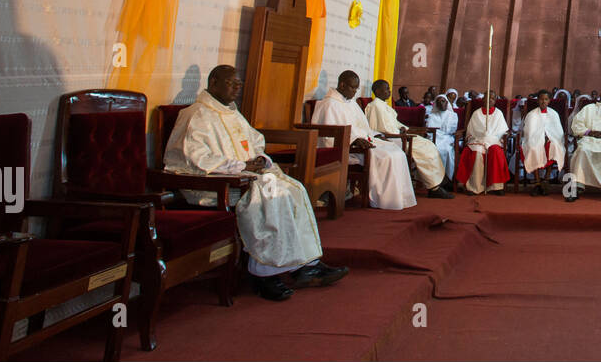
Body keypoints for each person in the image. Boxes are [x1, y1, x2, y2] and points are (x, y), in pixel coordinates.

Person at [164, 65, 348, 301]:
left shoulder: (232, 112)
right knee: (272, 195)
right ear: (213, 82)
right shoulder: (195, 115)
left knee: (294, 189)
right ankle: (265, 274)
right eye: (232, 82)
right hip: (214, 184)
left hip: (244, 178)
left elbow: (255, 142)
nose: (237, 87)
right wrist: (241, 167)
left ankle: (306, 265)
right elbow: (197, 158)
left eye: (239, 83)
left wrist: (260, 160)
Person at [311, 70, 416, 210]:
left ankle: (399, 199)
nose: (355, 91)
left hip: (362, 141)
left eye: (356, 88)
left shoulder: (350, 103)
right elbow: (328, 137)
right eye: (352, 87)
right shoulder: (329, 104)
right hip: (347, 147)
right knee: (386, 157)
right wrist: (354, 140)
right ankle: (384, 200)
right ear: (342, 85)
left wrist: (374, 134)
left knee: (397, 152)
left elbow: (363, 127)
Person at [365, 80, 453, 198]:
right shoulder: (375, 106)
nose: (389, 91)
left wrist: (402, 128)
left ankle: (437, 182)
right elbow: (381, 128)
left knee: (429, 144)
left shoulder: (383, 105)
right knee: (424, 150)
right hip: (391, 140)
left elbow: (394, 123)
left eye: (389, 88)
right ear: (377, 91)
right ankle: (434, 187)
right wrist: (399, 132)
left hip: (399, 136)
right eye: (386, 89)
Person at [458, 90, 510, 194]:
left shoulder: (498, 113)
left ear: (495, 101)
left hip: (494, 140)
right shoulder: (476, 113)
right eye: (487, 98)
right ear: (483, 99)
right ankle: (475, 187)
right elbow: (472, 130)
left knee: (495, 151)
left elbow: (502, 131)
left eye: (492, 98)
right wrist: (482, 134)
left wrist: (490, 136)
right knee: (477, 153)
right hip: (478, 139)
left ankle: (495, 187)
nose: (489, 100)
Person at [520, 89, 566, 194]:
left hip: (551, 139)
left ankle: (546, 180)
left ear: (549, 101)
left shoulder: (554, 114)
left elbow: (558, 131)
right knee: (534, 147)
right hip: (534, 139)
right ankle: (537, 182)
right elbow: (528, 131)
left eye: (546, 99)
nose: (543, 102)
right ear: (538, 100)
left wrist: (549, 137)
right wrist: (539, 137)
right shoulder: (532, 114)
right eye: (541, 99)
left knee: (554, 146)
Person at [424, 93, 459, 181]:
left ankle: (446, 178)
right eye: (439, 102)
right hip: (434, 137)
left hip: (447, 138)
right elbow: (429, 131)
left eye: (443, 101)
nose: (441, 103)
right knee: (433, 149)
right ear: (436, 104)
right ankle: (434, 179)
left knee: (446, 150)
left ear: (447, 103)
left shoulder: (453, 116)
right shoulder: (432, 115)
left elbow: (452, 130)